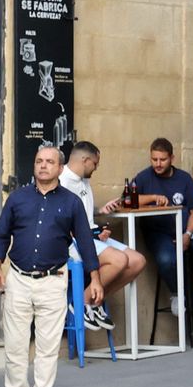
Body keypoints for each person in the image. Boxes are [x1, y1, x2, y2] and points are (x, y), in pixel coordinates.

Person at [0, 145, 102, 387]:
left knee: (47, 347)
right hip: (18, 279)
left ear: (60, 168)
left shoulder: (71, 202)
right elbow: (1, 234)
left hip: (53, 280)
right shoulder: (18, 198)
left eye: (49, 162)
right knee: (15, 345)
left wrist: (96, 278)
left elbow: (85, 242)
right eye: (39, 161)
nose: (43, 165)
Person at [130, 137, 193, 320]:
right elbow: (127, 200)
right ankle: (177, 293)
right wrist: (152, 197)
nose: (158, 164)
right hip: (159, 233)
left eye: (162, 159)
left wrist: (187, 234)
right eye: (154, 159)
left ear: (172, 158)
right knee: (166, 259)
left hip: (188, 229)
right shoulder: (144, 177)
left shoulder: (184, 178)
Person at [61, 141, 146, 330]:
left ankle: (95, 301)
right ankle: (81, 302)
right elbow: (64, 224)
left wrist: (100, 212)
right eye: (95, 163)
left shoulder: (83, 179)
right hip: (73, 241)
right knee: (119, 260)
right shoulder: (63, 182)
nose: (96, 168)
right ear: (85, 160)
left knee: (138, 261)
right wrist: (93, 233)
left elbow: (83, 214)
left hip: (90, 236)